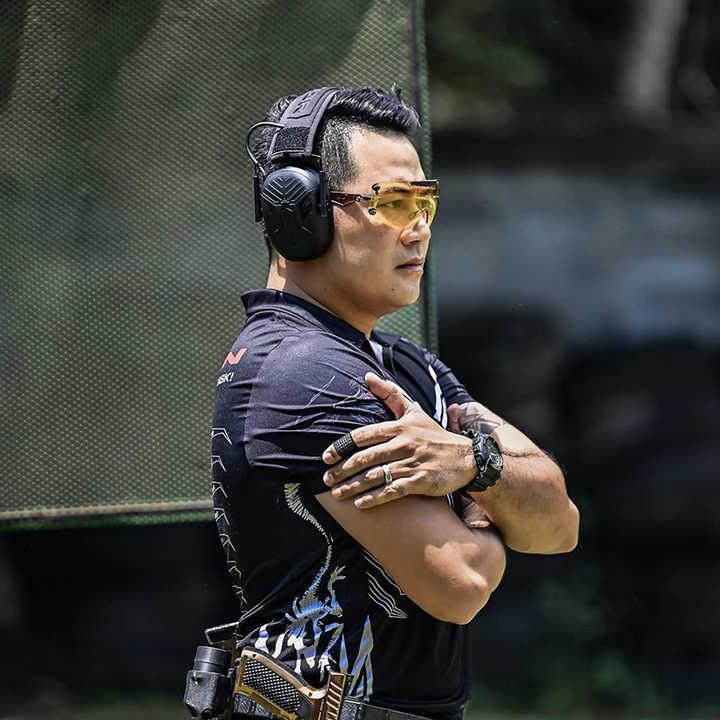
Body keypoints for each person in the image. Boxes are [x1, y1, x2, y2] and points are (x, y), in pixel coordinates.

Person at [211, 86, 579, 720]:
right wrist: (492, 506)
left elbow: (559, 523)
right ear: (300, 212)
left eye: (425, 201)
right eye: (394, 202)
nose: (421, 228)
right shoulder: (303, 373)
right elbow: (461, 581)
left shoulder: (402, 363)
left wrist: (473, 465)